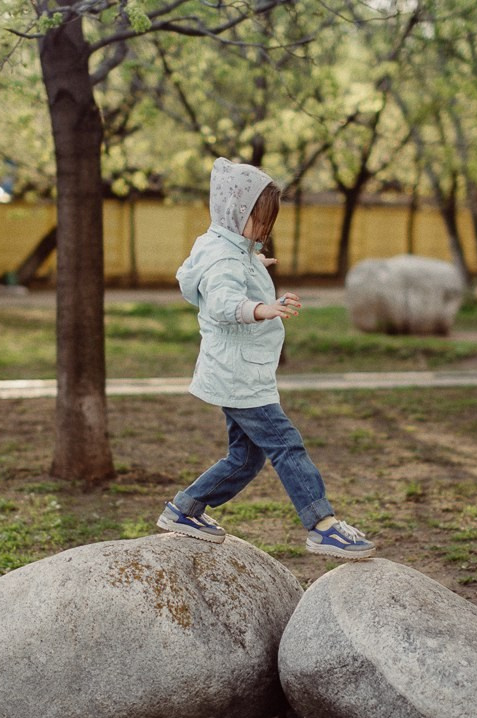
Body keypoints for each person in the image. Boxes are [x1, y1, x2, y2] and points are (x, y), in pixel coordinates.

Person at [156, 157, 376, 560]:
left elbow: (222, 268)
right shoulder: (225, 258)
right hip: (240, 375)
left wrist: (253, 261)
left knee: (246, 456)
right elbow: (223, 300)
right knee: (287, 445)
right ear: (236, 213)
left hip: (236, 371)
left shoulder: (223, 246)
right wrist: (262, 308)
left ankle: (185, 510)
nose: (265, 230)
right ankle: (321, 525)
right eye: (260, 221)